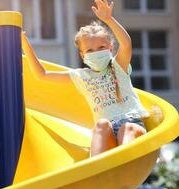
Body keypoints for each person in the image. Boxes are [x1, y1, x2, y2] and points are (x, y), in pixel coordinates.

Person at [21, 0, 150, 157]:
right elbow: (42, 75)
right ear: (82, 55)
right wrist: (25, 45)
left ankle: (124, 161)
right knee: (101, 125)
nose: (96, 52)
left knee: (126, 129)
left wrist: (109, 19)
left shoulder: (118, 67)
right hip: (107, 132)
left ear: (111, 47)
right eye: (90, 50)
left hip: (131, 126)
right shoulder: (82, 76)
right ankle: (95, 168)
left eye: (101, 48)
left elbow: (126, 43)